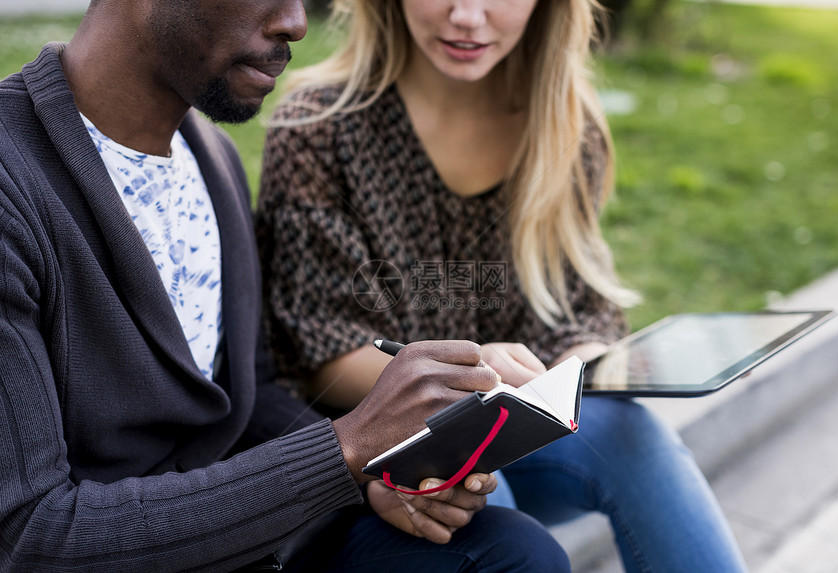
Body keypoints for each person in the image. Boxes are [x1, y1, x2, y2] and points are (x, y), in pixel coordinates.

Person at [0, 0, 572, 571]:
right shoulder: (13, 187)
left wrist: (376, 470)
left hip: (250, 540)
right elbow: (32, 537)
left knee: (512, 550)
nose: (296, 23)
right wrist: (345, 449)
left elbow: (248, 399)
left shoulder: (211, 158)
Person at [256, 0, 750, 571]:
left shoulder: (563, 121)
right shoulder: (319, 124)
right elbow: (320, 356)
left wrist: (593, 364)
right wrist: (466, 378)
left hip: (526, 427)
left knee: (636, 438)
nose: (467, 16)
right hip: (383, 452)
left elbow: (579, 305)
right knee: (472, 477)